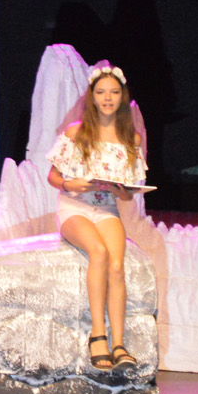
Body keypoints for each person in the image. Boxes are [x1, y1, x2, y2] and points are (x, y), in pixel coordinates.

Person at [46, 65, 146, 372]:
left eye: (114, 92)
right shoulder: (76, 132)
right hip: (74, 206)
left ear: (122, 97)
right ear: (92, 96)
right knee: (98, 252)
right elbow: (53, 176)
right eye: (101, 92)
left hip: (107, 209)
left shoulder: (131, 139)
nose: (107, 98)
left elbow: (128, 195)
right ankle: (97, 335)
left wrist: (122, 191)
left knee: (117, 265)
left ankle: (120, 344)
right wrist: (71, 184)